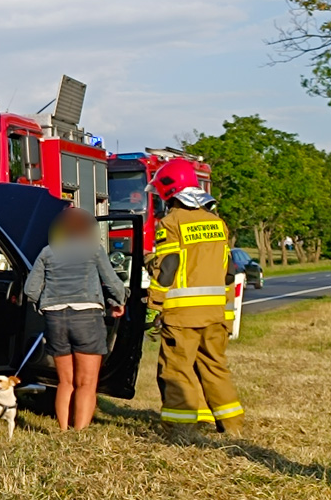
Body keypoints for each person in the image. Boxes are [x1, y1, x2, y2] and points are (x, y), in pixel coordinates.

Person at [145, 158, 244, 442]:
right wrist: (226, 312)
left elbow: (169, 267)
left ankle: (181, 429)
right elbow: (228, 271)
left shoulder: (172, 222)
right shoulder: (217, 222)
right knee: (215, 366)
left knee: (176, 369)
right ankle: (232, 425)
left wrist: (154, 306)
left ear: (168, 192)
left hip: (182, 315)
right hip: (215, 313)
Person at [24, 208, 126, 431]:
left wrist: (43, 306)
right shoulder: (93, 250)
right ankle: (79, 433)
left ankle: (62, 429)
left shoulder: (47, 252)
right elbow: (112, 283)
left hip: (55, 318)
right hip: (87, 316)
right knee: (87, 383)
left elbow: (30, 289)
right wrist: (118, 302)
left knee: (66, 382)